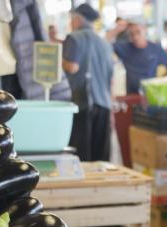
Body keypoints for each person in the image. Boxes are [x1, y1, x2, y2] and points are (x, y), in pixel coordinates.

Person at [62, 4, 114, 161]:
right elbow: (111, 77)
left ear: (78, 19)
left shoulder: (74, 38)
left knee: (81, 158)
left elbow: (72, 66)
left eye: (71, 19)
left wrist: (58, 58)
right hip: (104, 105)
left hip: (83, 103)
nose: (70, 23)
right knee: (100, 158)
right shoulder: (104, 43)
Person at [113, 22, 167, 94]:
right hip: (132, 95)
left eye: (138, 32)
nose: (135, 37)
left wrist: (163, 81)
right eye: (132, 34)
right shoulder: (125, 48)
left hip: (151, 94)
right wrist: (116, 30)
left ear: (145, 30)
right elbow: (104, 44)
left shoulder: (155, 49)